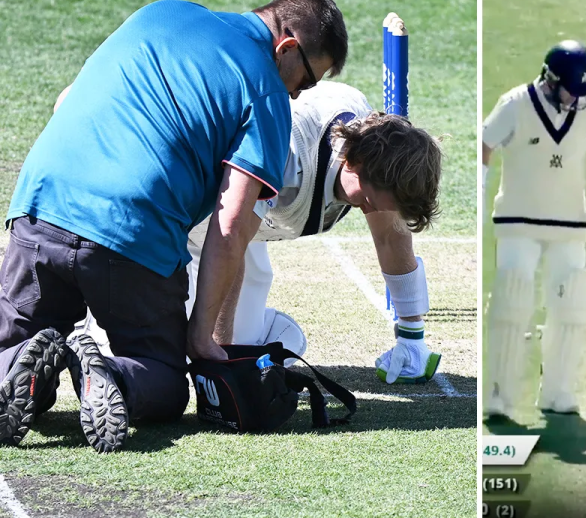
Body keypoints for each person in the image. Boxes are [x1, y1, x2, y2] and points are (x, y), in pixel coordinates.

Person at [0, 0, 348, 453]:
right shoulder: (265, 91)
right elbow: (231, 225)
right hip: (132, 231)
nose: (300, 95)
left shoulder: (159, 12)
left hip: (40, 205)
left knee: (15, 350)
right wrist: (201, 335)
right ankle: (107, 374)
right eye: (307, 79)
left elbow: (66, 99)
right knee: (164, 381)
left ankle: (16, 367)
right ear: (285, 47)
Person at [71, 81, 444, 383]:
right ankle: (90, 328)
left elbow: (391, 236)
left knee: (252, 343)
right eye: (372, 200)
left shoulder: (369, 152)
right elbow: (228, 237)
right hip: (182, 218)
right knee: (147, 360)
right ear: (355, 163)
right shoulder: (283, 157)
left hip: (240, 226)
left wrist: (411, 335)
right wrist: (217, 356)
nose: (374, 212)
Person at [481, 41, 586, 419]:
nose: (577, 98)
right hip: (518, 220)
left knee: (572, 306)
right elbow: (486, 143)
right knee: (512, 302)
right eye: (571, 89)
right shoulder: (516, 102)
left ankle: (558, 391)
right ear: (550, 79)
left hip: (569, 223)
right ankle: (499, 395)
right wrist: (483, 191)